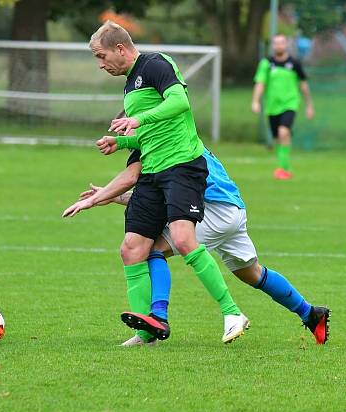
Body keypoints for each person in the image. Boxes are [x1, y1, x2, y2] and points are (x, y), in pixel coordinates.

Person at [63, 147, 331, 346]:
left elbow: (160, 190)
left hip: (212, 210)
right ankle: (310, 313)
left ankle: (158, 317)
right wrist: (114, 196)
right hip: (233, 209)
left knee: (153, 249)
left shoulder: (161, 145)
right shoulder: (185, 139)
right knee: (253, 274)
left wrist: (107, 195)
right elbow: (163, 195)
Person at [84, 21, 248, 345]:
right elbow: (150, 135)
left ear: (120, 48)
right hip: (154, 172)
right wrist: (123, 143)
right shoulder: (130, 86)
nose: (100, 65)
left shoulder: (156, 64)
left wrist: (138, 120)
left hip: (183, 165)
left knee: (185, 239)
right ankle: (145, 332)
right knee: (131, 248)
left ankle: (232, 313)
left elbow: (179, 103)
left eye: (102, 56)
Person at [251, 34, 314, 180]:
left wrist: (309, 105)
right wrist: (255, 101)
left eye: (282, 43)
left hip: (290, 104)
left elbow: (303, 85)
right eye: (276, 43)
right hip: (272, 107)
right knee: (279, 138)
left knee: (283, 132)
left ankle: (281, 169)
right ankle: (286, 167)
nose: (279, 45)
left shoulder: (295, 64)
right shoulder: (266, 64)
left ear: (286, 45)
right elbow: (260, 83)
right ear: (273, 46)